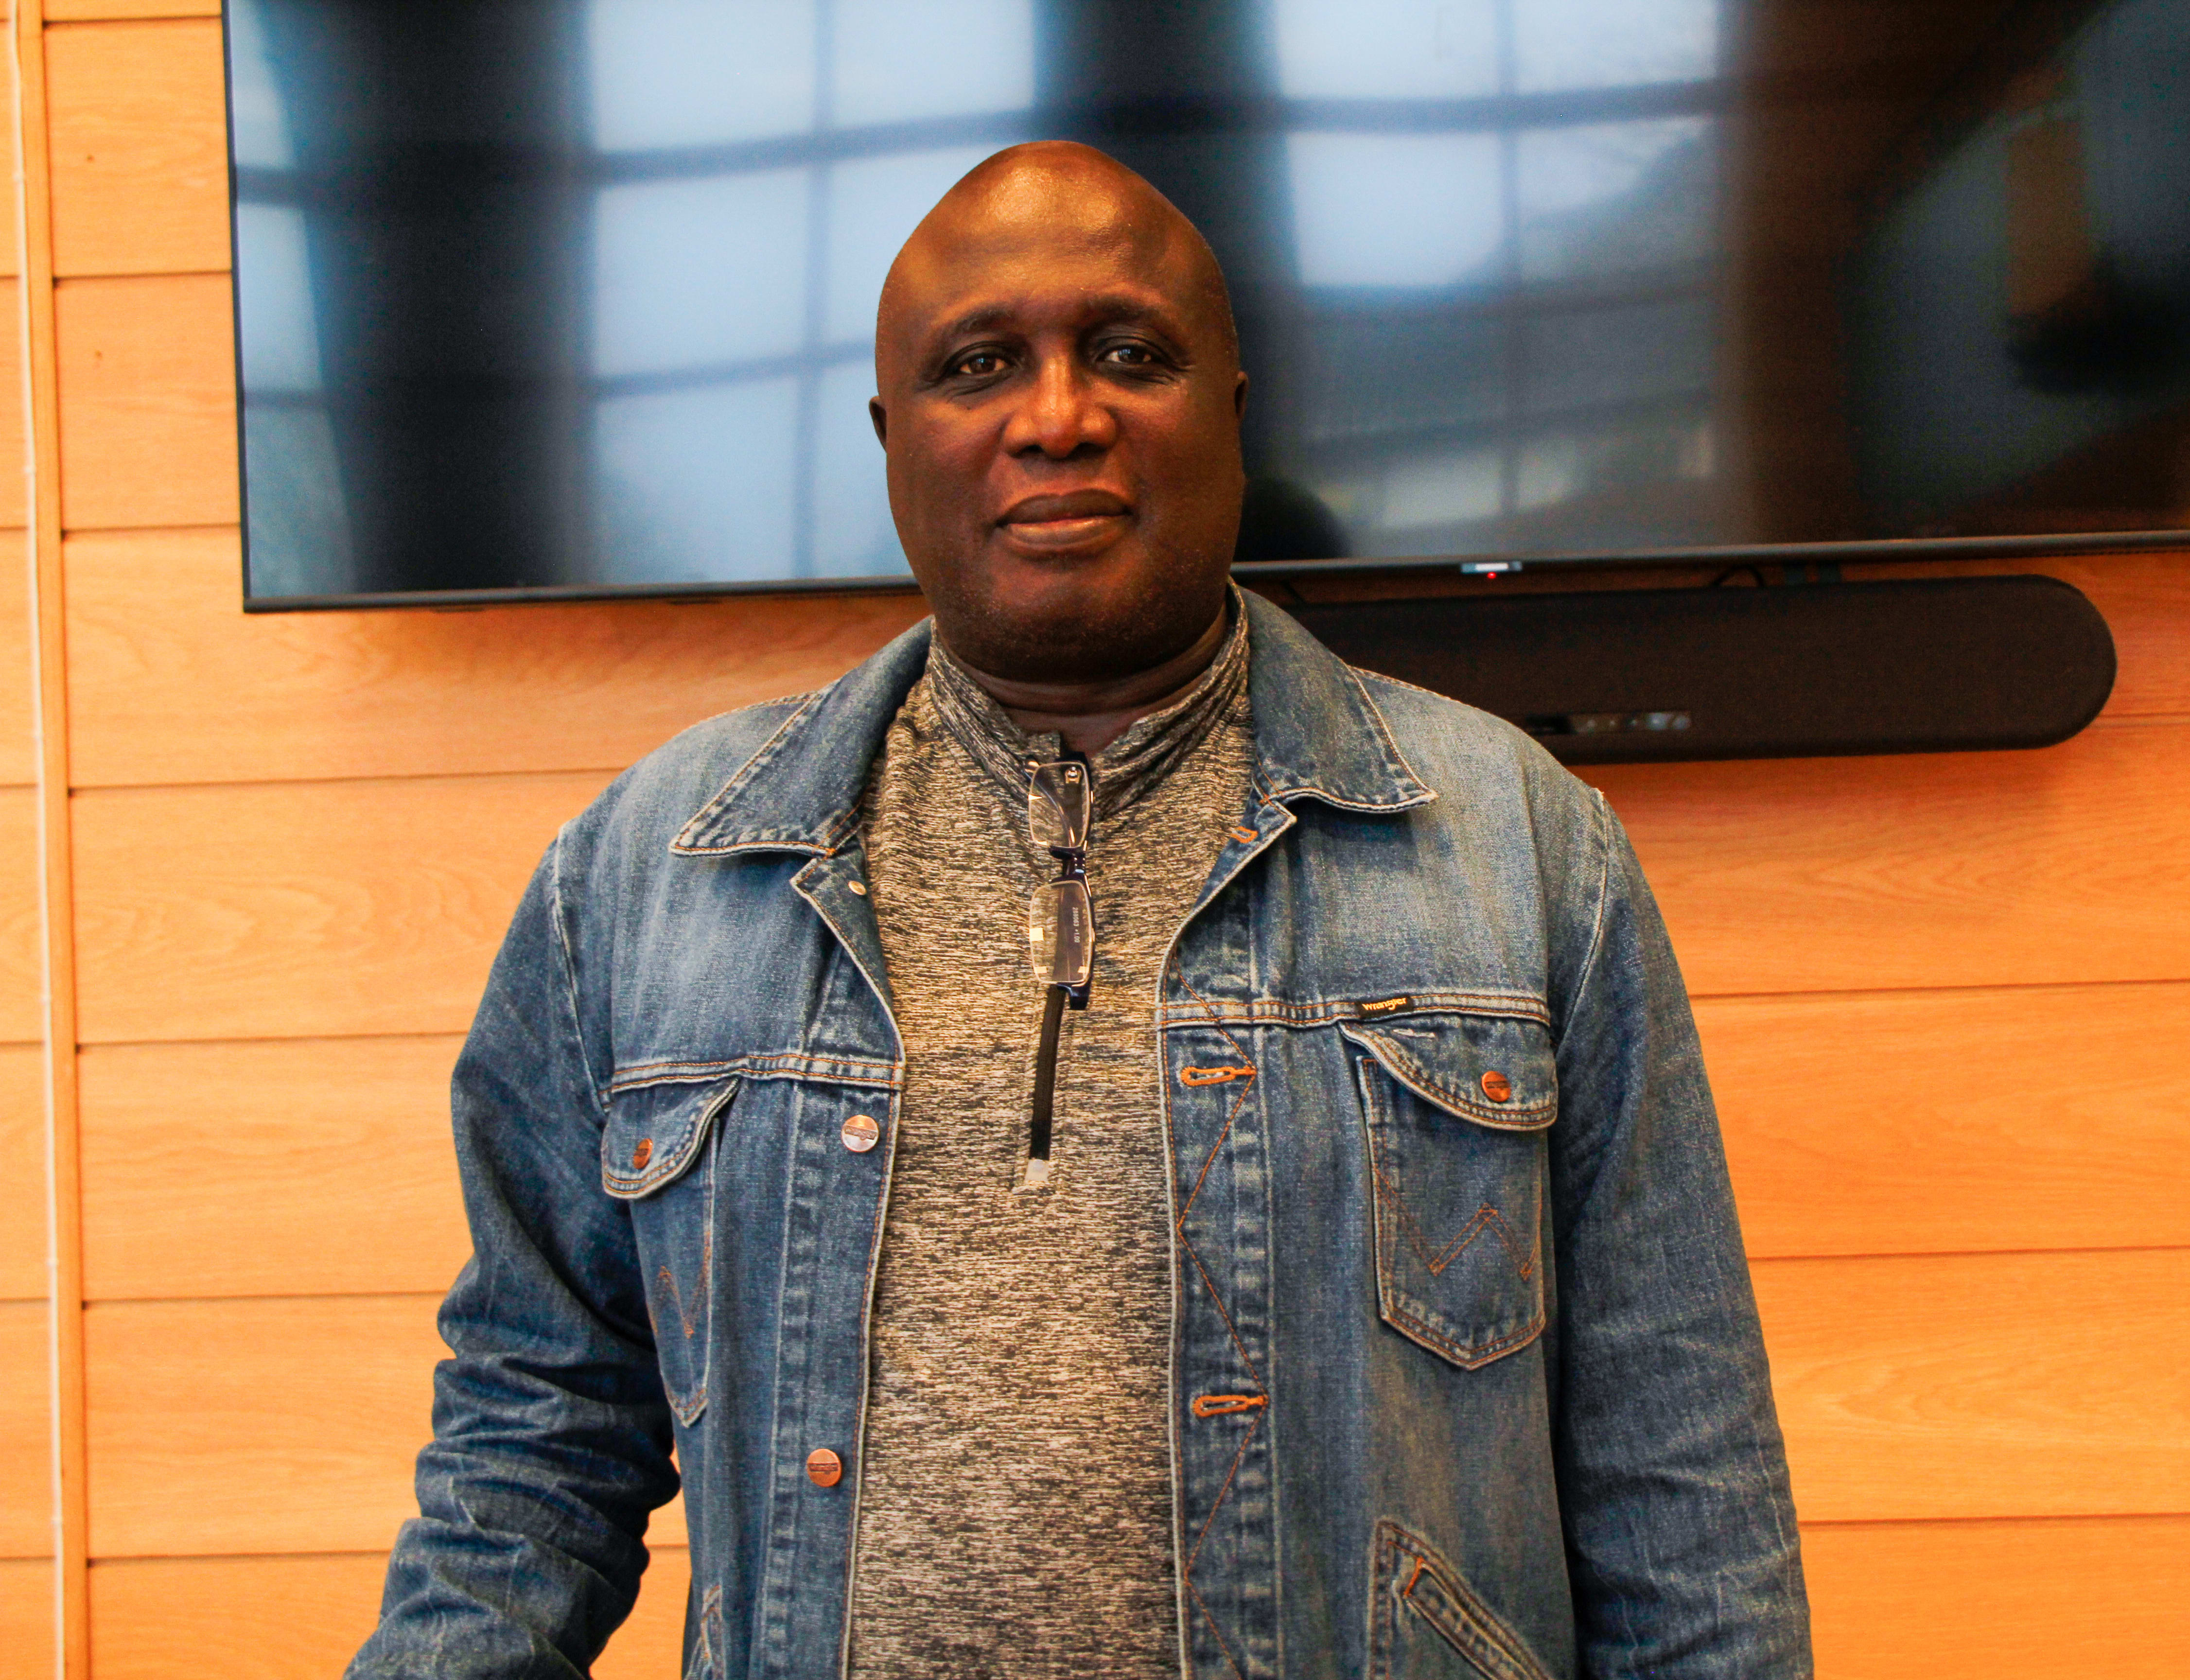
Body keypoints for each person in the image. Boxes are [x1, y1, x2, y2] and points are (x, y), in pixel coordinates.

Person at [349, 141, 1810, 1680]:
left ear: (1230, 414)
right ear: (893, 438)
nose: (1059, 416)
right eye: (978, 365)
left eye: (1129, 354)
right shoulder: (653, 871)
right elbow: (531, 1438)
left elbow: (1682, 1473)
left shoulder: (1519, 844)